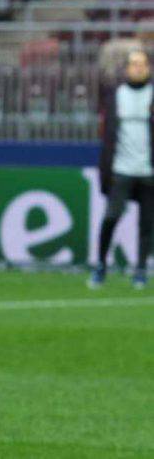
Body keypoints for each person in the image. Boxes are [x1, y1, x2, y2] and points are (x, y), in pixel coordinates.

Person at [93, 49, 153, 290]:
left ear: (148, 68)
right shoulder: (116, 96)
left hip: (148, 171)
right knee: (111, 217)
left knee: (147, 224)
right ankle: (100, 264)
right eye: (134, 63)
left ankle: (140, 269)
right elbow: (108, 136)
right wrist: (105, 170)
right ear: (127, 69)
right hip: (121, 168)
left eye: (143, 63)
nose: (138, 67)